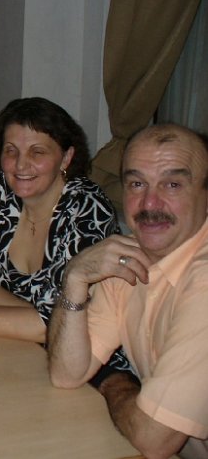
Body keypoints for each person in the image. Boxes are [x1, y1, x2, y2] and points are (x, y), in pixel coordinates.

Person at [0, 98, 131, 373]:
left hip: (88, 365)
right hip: (13, 345)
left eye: (37, 152)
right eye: (11, 151)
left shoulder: (87, 209)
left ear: (66, 157)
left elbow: (65, 325)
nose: (21, 165)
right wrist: (32, 319)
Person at [48, 123, 208, 459]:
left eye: (173, 184)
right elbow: (67, 373)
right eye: (137, 183)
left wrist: (115, 383)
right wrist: (75, 276)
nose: (150, 202)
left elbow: (153, 440)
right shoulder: (129, 256)